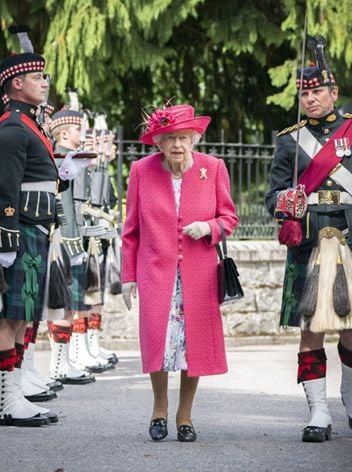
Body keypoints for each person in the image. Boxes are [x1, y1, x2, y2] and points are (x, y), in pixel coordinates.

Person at [265, 54, 352, 442]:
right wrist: (282, 203)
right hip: (308, 241)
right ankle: (318, 411)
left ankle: (350, 390)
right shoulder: (290, 141)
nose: (310, 99)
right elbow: (270, 197)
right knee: (310, 328)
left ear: (333, 92)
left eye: (317, 91)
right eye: (304, 93)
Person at [121, 103, 238, 442]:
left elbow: (229, 218)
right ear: (158, 142)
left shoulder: (213, 168)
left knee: (193, 346)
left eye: (184, 138)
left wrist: (209, 227)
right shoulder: (142, 171)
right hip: (156, 272)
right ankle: (159, 408)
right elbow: (131, 231)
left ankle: (184, 415)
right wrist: (128, 275)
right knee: (159, 341)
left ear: (194, 139)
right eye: (170, 138)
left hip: (199, 275)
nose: (177, 145)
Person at [0, 50, 62, 427]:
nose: (44, 82)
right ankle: (5, 401)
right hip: (22, 229)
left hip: (37, 227)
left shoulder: (30, 123)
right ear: (17, 84)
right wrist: (6, 237)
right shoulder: (13, 126)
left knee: (23, 315)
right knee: (11, 316)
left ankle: (14, 395)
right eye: (37, 77)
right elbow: (6, 188)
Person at [46, 108, 97, 385]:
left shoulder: (70, 158)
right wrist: (69, 237)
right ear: (64, 132)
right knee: (63, 302)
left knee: (74, 302)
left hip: (72, 235)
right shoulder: (60, 157)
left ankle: (66, 361)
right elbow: (62, 202)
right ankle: (58, 365)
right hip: (64, 237)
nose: (83, 134)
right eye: (79, 129)